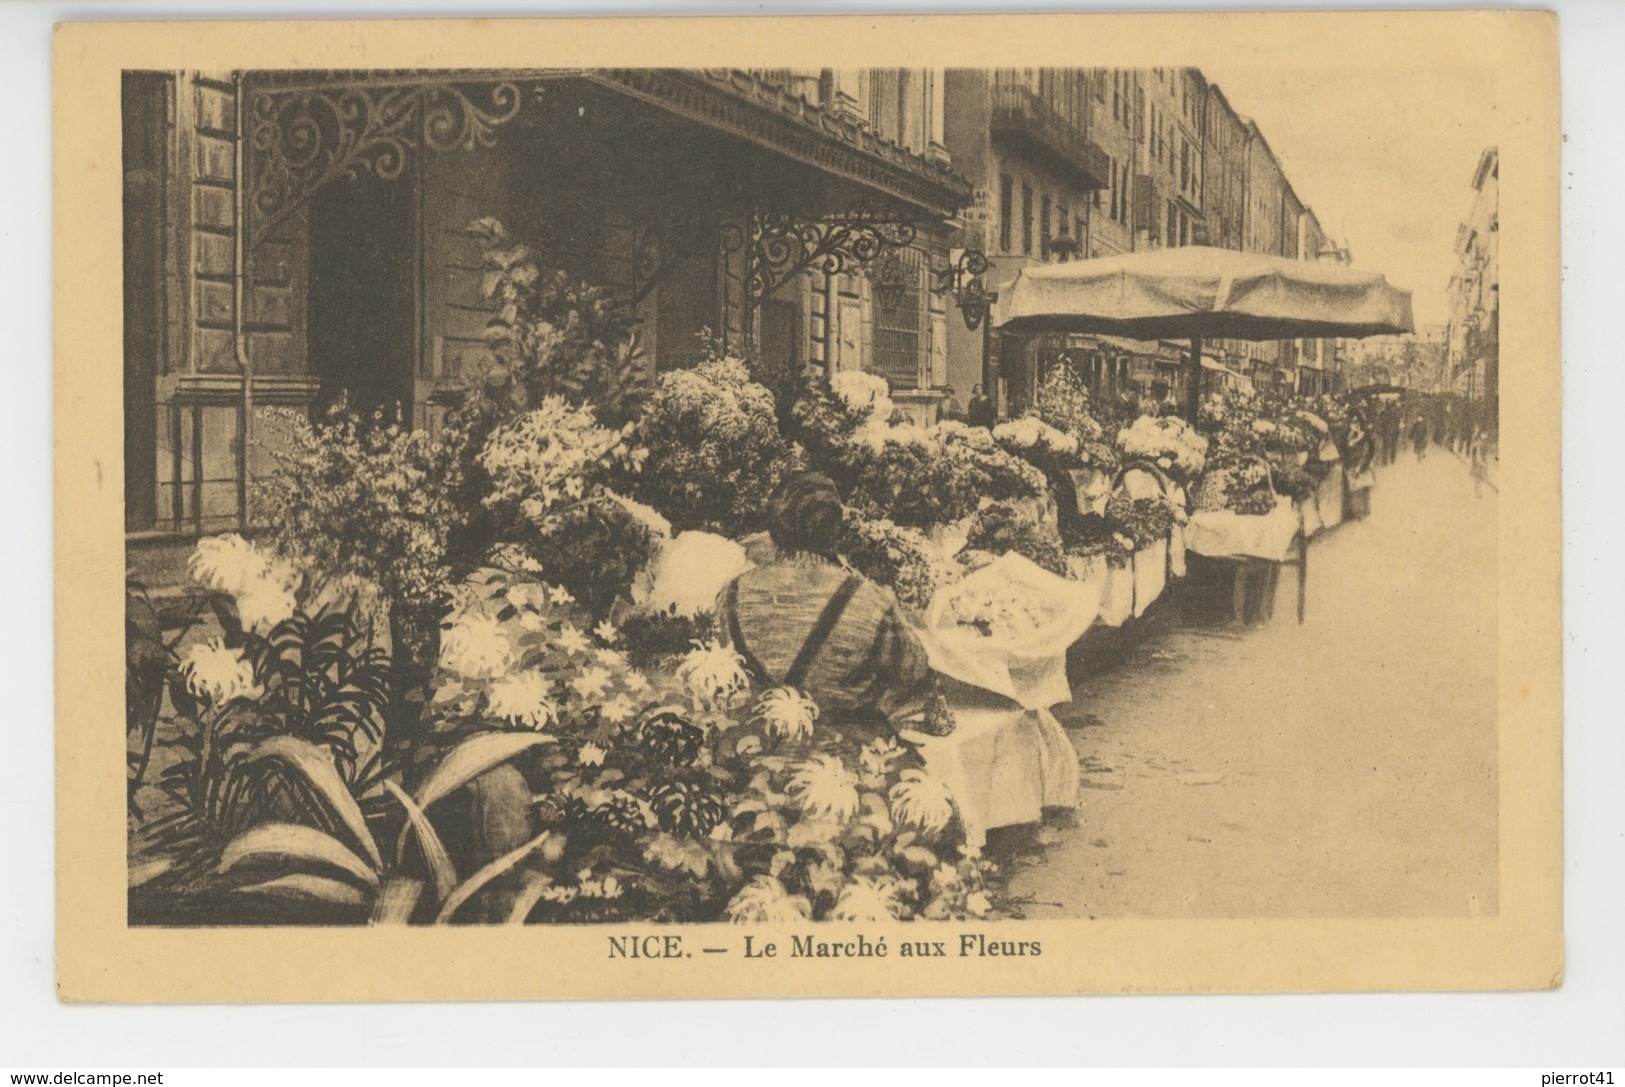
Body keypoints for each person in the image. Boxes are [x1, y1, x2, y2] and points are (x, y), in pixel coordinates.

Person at [717, 472, 934, 736]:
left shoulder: (732, 593)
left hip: (752, 752)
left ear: (774, 526)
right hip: (841, 759)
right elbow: (913, 668)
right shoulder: (869, 598)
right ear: (834, 528)